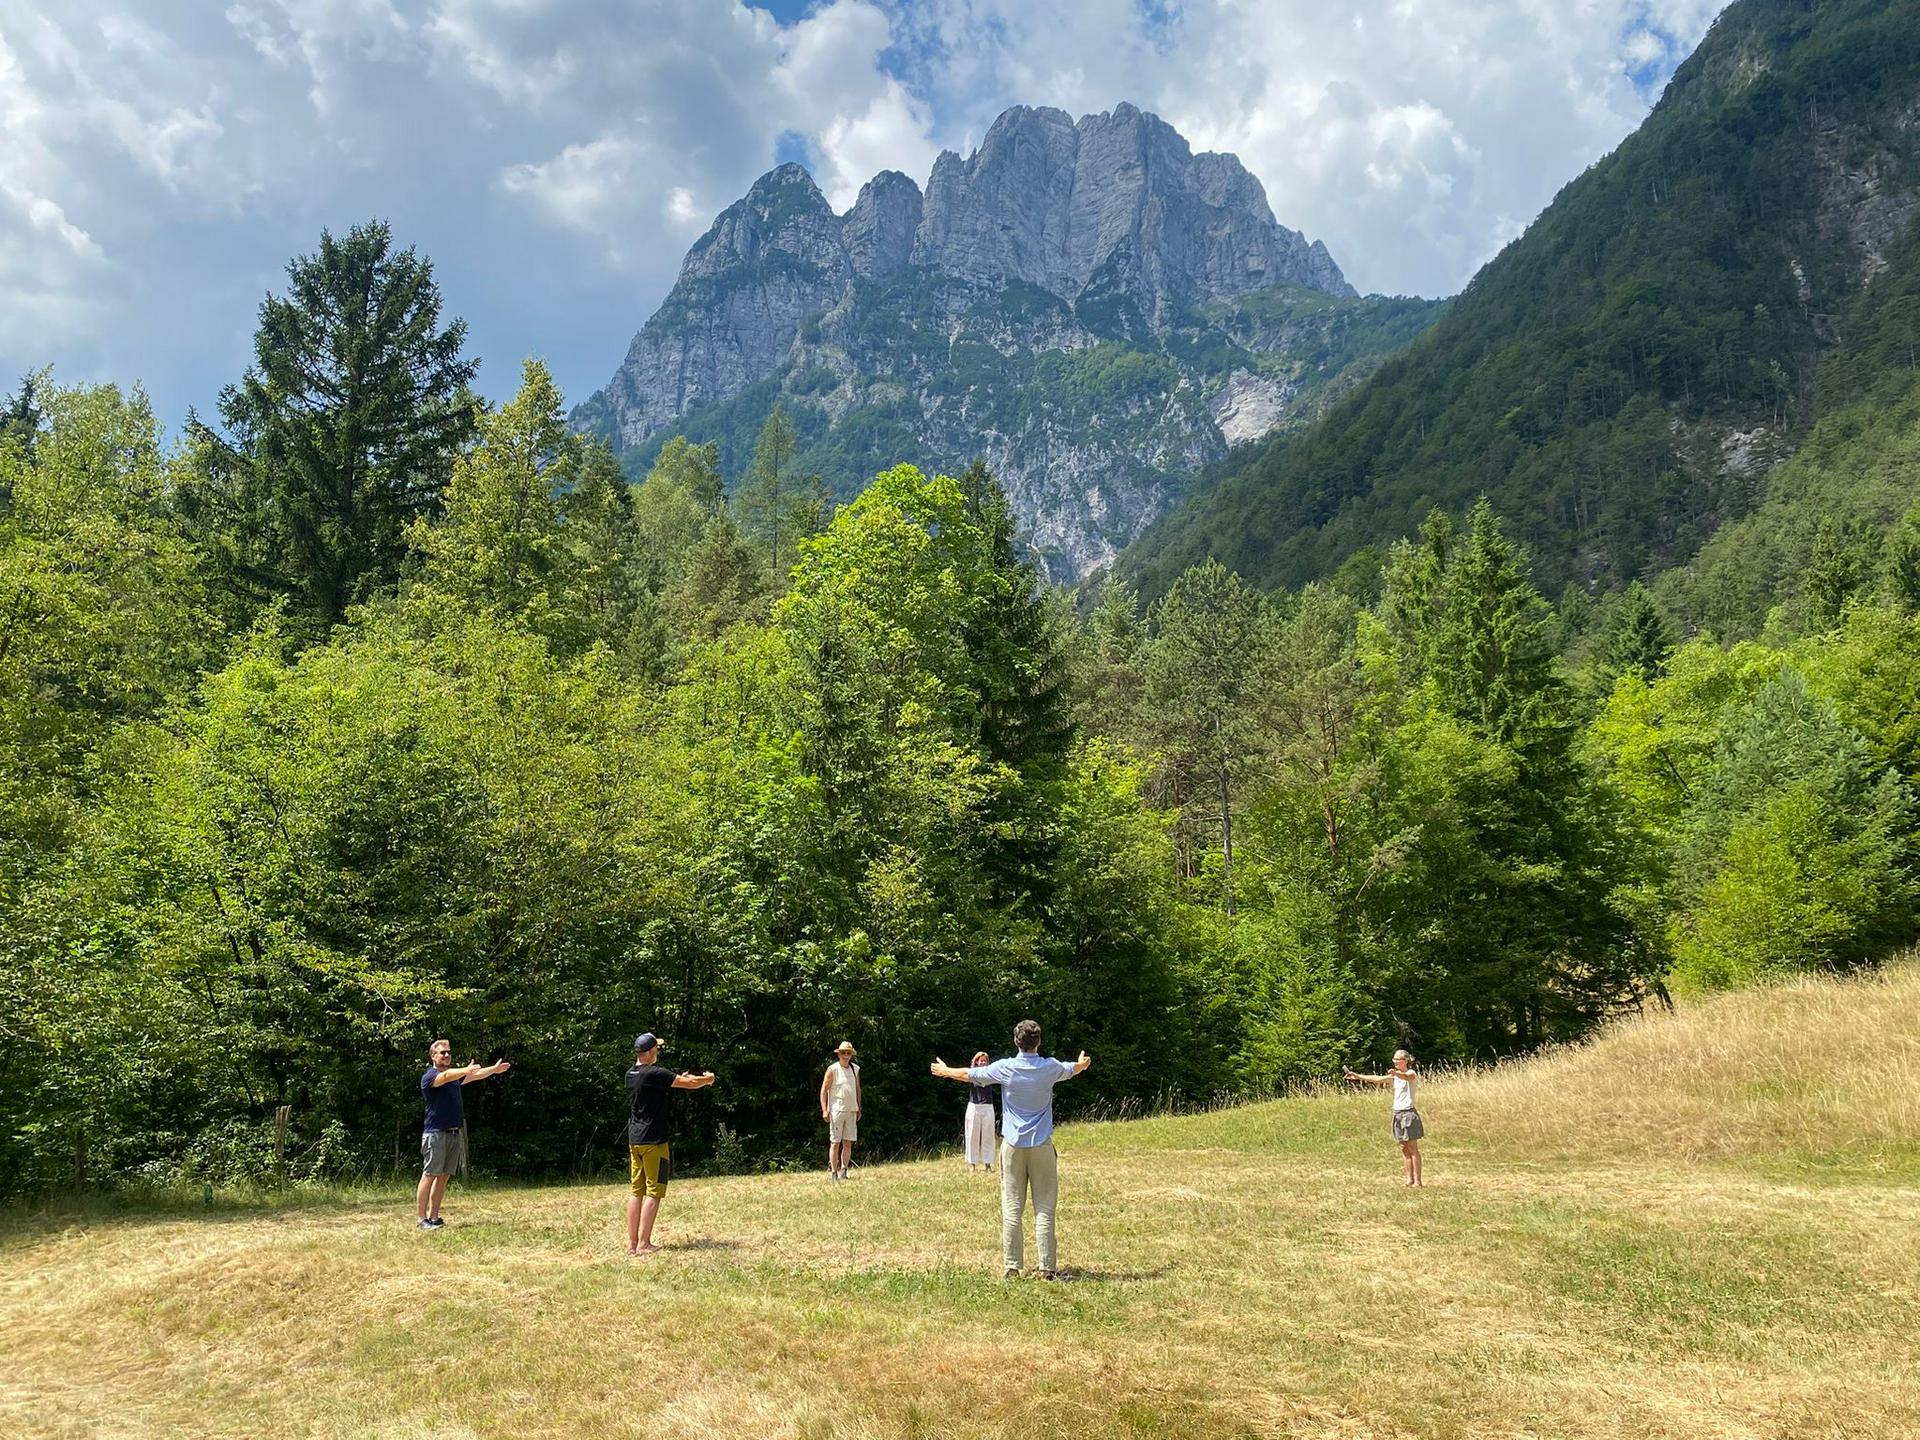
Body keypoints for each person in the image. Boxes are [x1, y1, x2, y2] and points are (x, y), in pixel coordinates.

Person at [932, 1020, 1089, 1279]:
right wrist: (1082, 1063)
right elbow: (1073, 1068)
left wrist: (945, 1070)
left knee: (1012, 1207)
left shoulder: (1006, 1067)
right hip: (1042, 1147)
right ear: (1038, 1041)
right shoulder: (1049, 1067)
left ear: (1016, 1042)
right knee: (1044, 1209)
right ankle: (1047, 1268)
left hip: (1013, 1146)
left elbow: (970, 1075)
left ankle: (1012, 1267)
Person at [626, 1032, 716, 1254]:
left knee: (636, 1192)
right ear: (649, 1052)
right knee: (654, 1192)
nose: (658, 1050)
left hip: (635, 1140)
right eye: (656, 1048)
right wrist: (708, 1079)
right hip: (654, 1141)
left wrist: (679, 1079)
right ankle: (644, 1244)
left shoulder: (631, 1074)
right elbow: (691, 1084)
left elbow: (663, 1086)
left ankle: (632, 1245)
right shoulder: (655, 1073)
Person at [415, 1039, 510, 1230]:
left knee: (443, 1177)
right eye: (443, 1053)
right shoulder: (430, 1076)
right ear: (433, 1056)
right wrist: (465, 1069)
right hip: (435, 1134)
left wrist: (493, 1069)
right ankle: (421, 1219)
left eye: (449, 1052)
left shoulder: (453, 1079)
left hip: (453, 1133)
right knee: (430, 1175)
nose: (447, 1055)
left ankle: (434, 1217)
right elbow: (447, 1075)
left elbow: (474, 1075)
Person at [1343, 1049, 1424, 1186]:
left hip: (1408, 1113)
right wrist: (1357, 1076)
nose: (1395, 1061)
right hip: (1397, 1114)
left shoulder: (1411, 1073)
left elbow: (1407, 1077)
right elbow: (1377, 1079)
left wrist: (1396, 1073)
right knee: (1404, 1148)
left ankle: (1418, 1181)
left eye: (1397, 1059)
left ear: (1405, 1060)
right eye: (1394, 1059)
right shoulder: (1395, 1077)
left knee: (1412, 1148)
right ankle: (1409, 1180)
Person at [818, 1040, 862, 1181]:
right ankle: (833, 1173)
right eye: (843, 1052)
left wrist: (859, 1107)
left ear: (851, 1054)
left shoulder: (855, 1069)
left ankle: (844, 1171)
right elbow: (824, 1090)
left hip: (851, 1110)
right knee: (835, 1142)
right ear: (839, 1054)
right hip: (837, 1110)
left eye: (848, 1053)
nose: (846, 1055)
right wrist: (825, 1110)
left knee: (848, 1142)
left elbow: (857, 1089)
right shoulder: (833, 1069)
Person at [963, 1050, 996, 1173]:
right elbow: (962, 1075)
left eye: (985, 1061)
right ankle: (972, 1164)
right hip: (974, 1106)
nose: (983, 1062)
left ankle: (988, 1164)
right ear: (976, 1062)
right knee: (972, 1135)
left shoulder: (991, 1074)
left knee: (988, 1136)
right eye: (981, 1060)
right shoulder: (972, 1074)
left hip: (988, 1106)